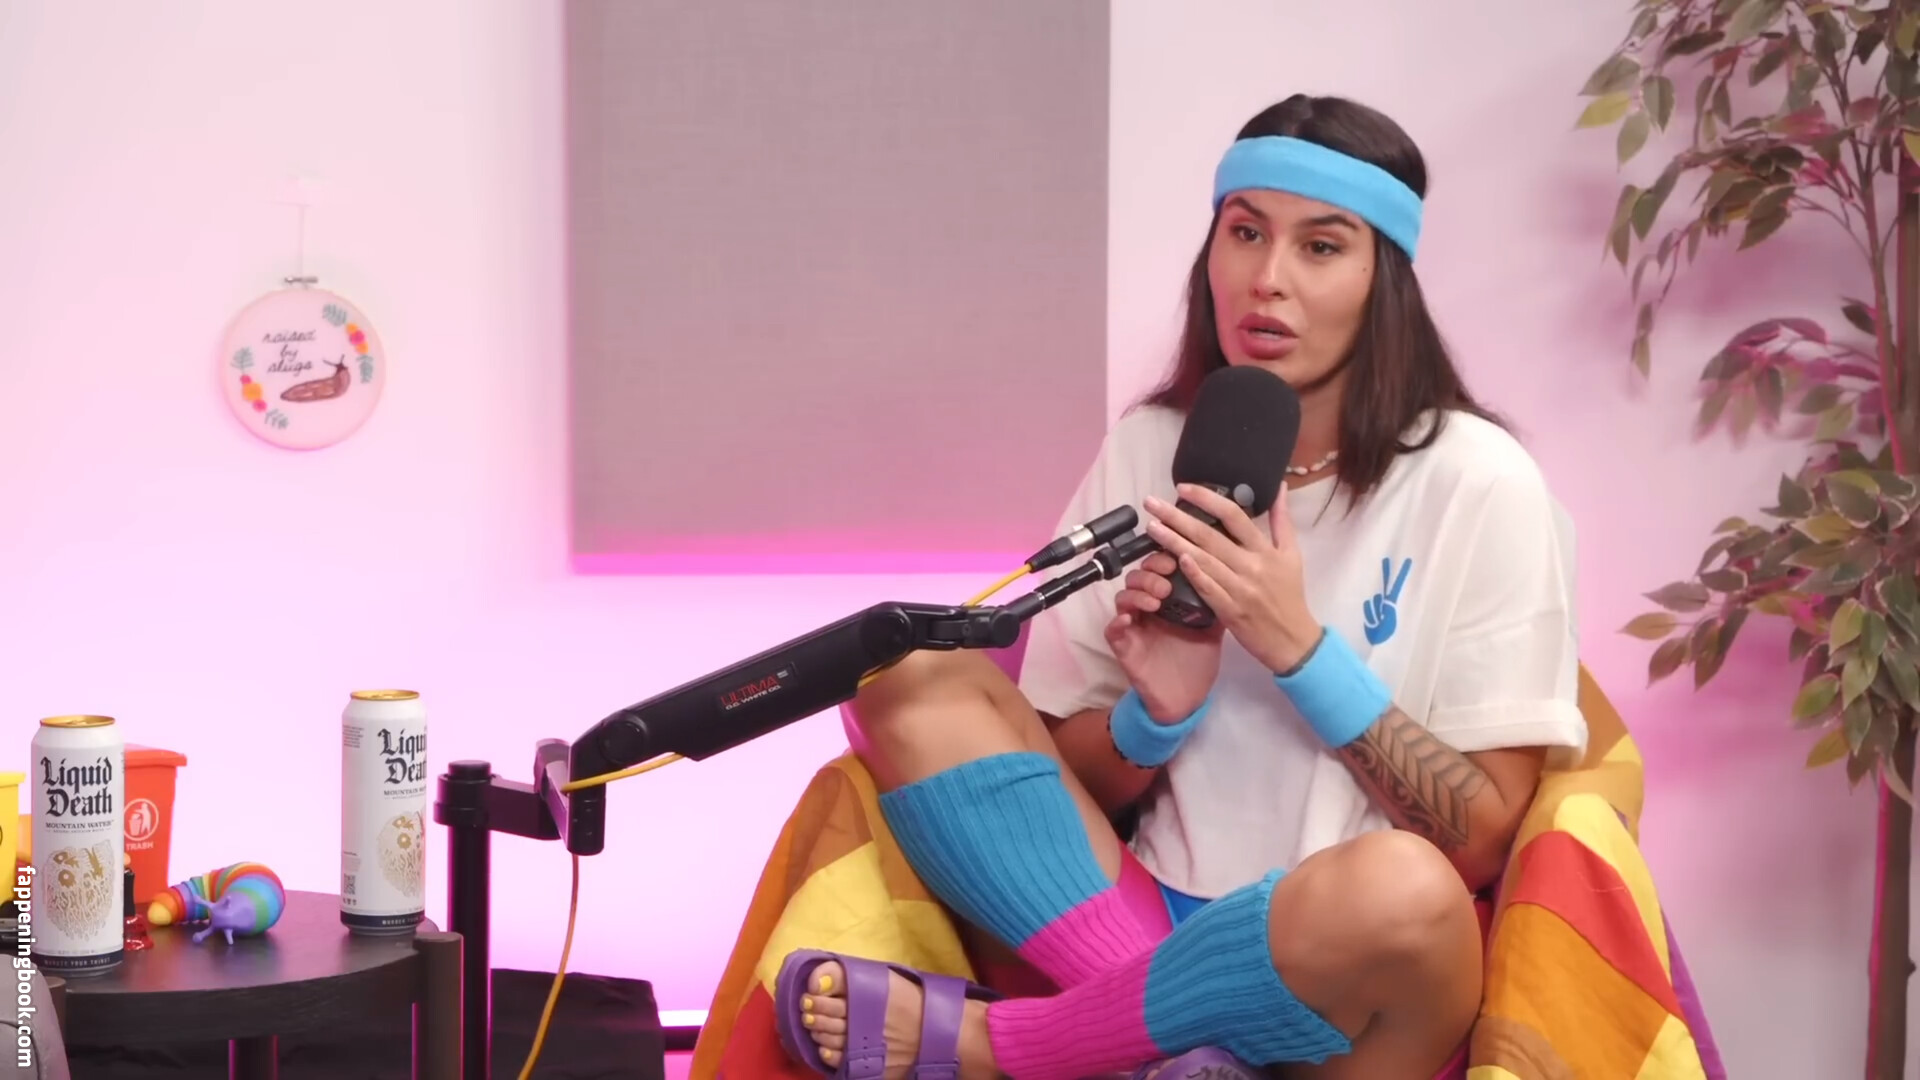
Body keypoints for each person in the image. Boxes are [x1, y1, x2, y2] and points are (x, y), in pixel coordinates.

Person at [770, 94, 1585, 1080]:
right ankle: (1175, 1045)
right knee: (907, 672)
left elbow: (1482, 843)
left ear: (1386, 281)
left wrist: (1298, 651)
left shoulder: (1481, 481)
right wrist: (1153, 719)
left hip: (1353, 965)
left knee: (1404, 886)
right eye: (1245, 233)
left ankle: (1005, 1045)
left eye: (1322, 247)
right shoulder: (1151, 445)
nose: (1268, 278)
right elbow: (1055, 790)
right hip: (1143, 920)